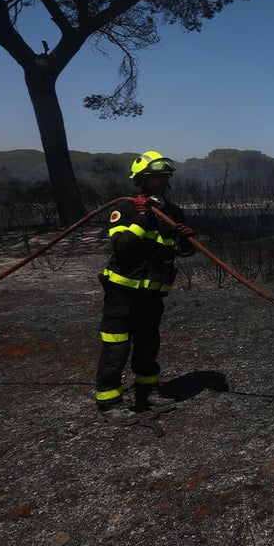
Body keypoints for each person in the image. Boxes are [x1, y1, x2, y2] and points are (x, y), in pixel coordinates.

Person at [94, 150, 196, 426]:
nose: (161, 182)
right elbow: (123, 248)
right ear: (141, 180)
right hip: (122, 291)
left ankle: (148, 391)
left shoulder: (173, 212)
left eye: (164, 177)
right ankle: (109, 402)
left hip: (152, 293)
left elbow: (180, 252)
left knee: (148, 342)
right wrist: (144, 219)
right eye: (155, 178)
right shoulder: (126, 209)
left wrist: (184, 240)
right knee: (117, 344)